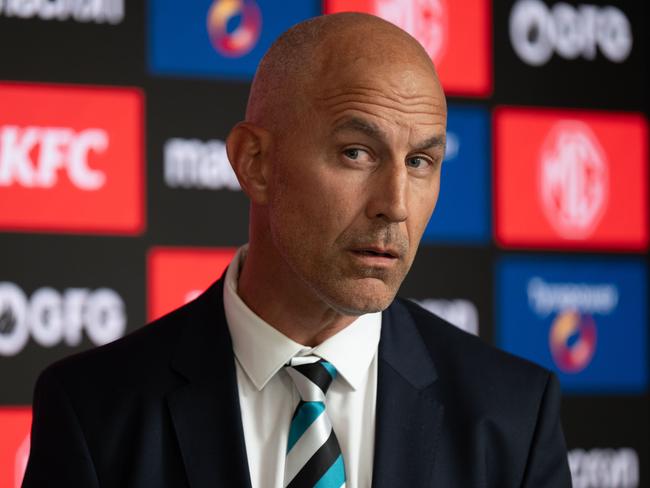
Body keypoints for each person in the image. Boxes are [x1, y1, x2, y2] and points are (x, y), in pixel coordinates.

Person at [23, 12, 572, 488]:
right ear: (254, 162)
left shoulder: (513, 415)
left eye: (420, 162)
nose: (396, 205)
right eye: (357, 152)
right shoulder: (93, 410)